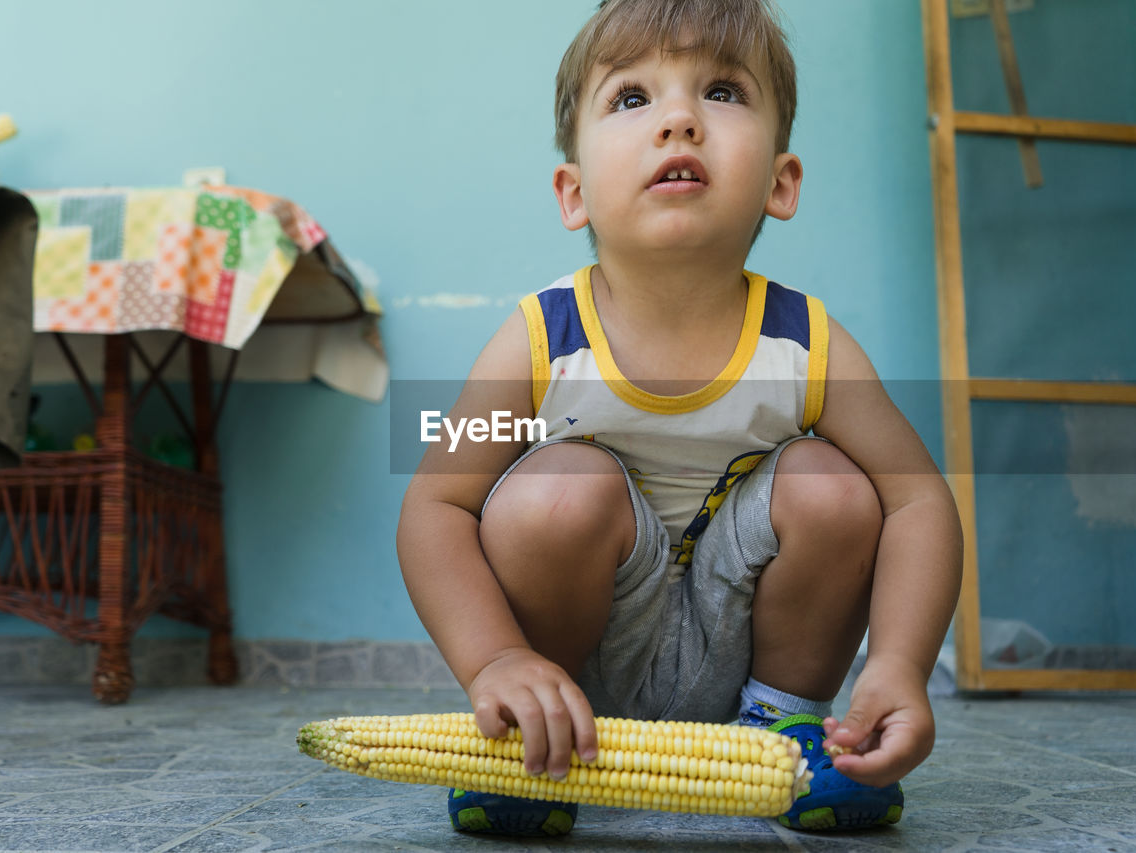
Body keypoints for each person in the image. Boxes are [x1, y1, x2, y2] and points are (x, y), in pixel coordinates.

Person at [397, 0, 962, 836]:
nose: (679, 122)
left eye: (723, 92)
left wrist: (900, 664)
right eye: (632, 99)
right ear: (574, 191)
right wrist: (498, 660)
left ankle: (789, 727)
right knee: (558, 487)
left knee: (834, 483)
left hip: (750, 651)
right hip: (577, 666)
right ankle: (532, 738)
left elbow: (920, 502)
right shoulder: (538, 342)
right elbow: (434, 507)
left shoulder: (806, 343)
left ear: (780, 180)